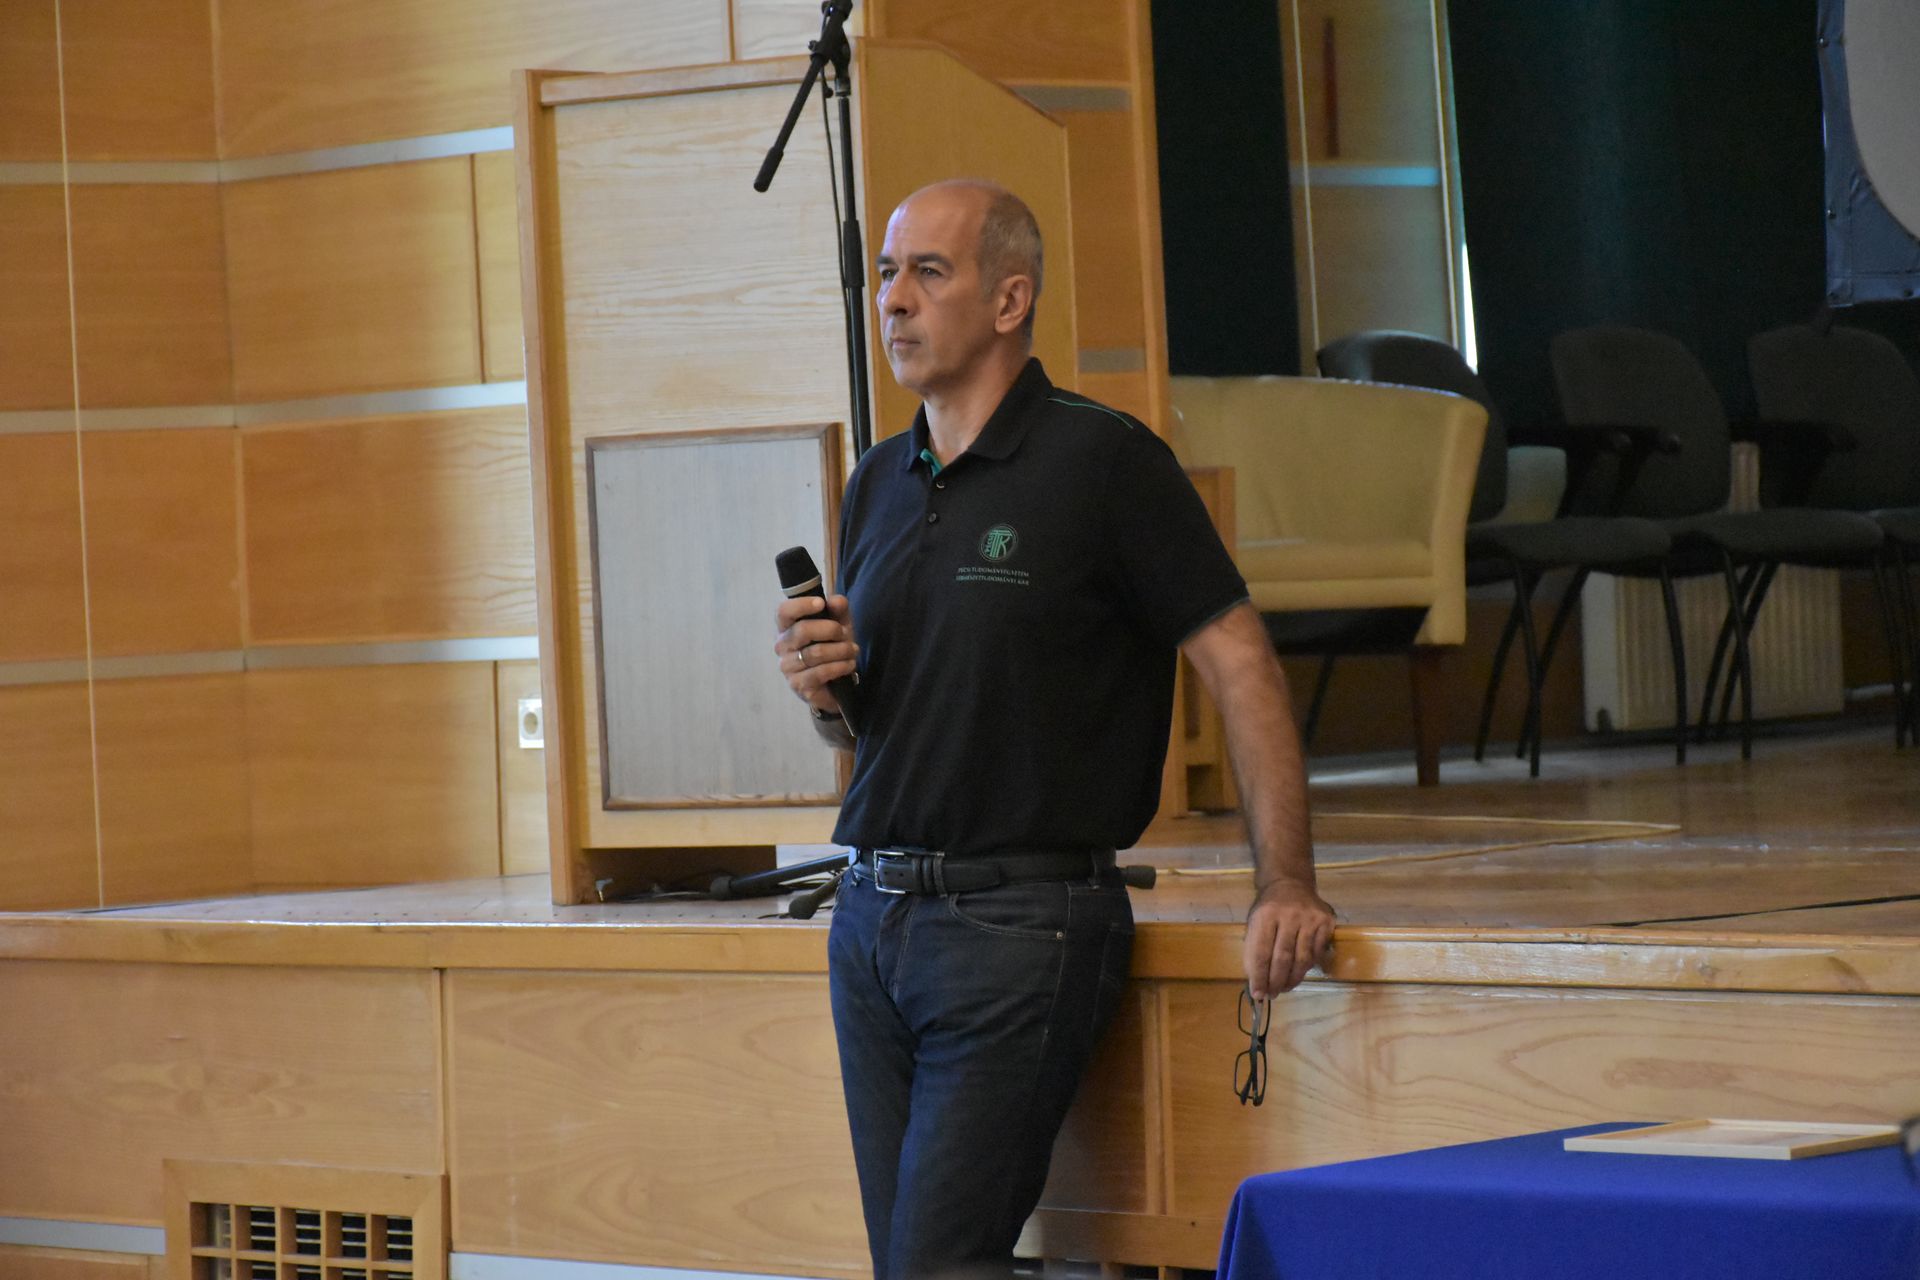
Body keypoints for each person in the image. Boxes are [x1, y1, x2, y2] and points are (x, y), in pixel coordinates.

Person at [773, 178, 1332, 1280]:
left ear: (1010, 299)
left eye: (928, 272)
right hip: (871, 919)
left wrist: (1287, 881)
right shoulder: (877, 480)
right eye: (885, 273)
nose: (894, 299)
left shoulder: (1105, 461)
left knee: (937, 1264)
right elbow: (883, 730)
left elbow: (1241, 663)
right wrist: (824, 691)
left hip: (1020, 925)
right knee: (911, 1267)